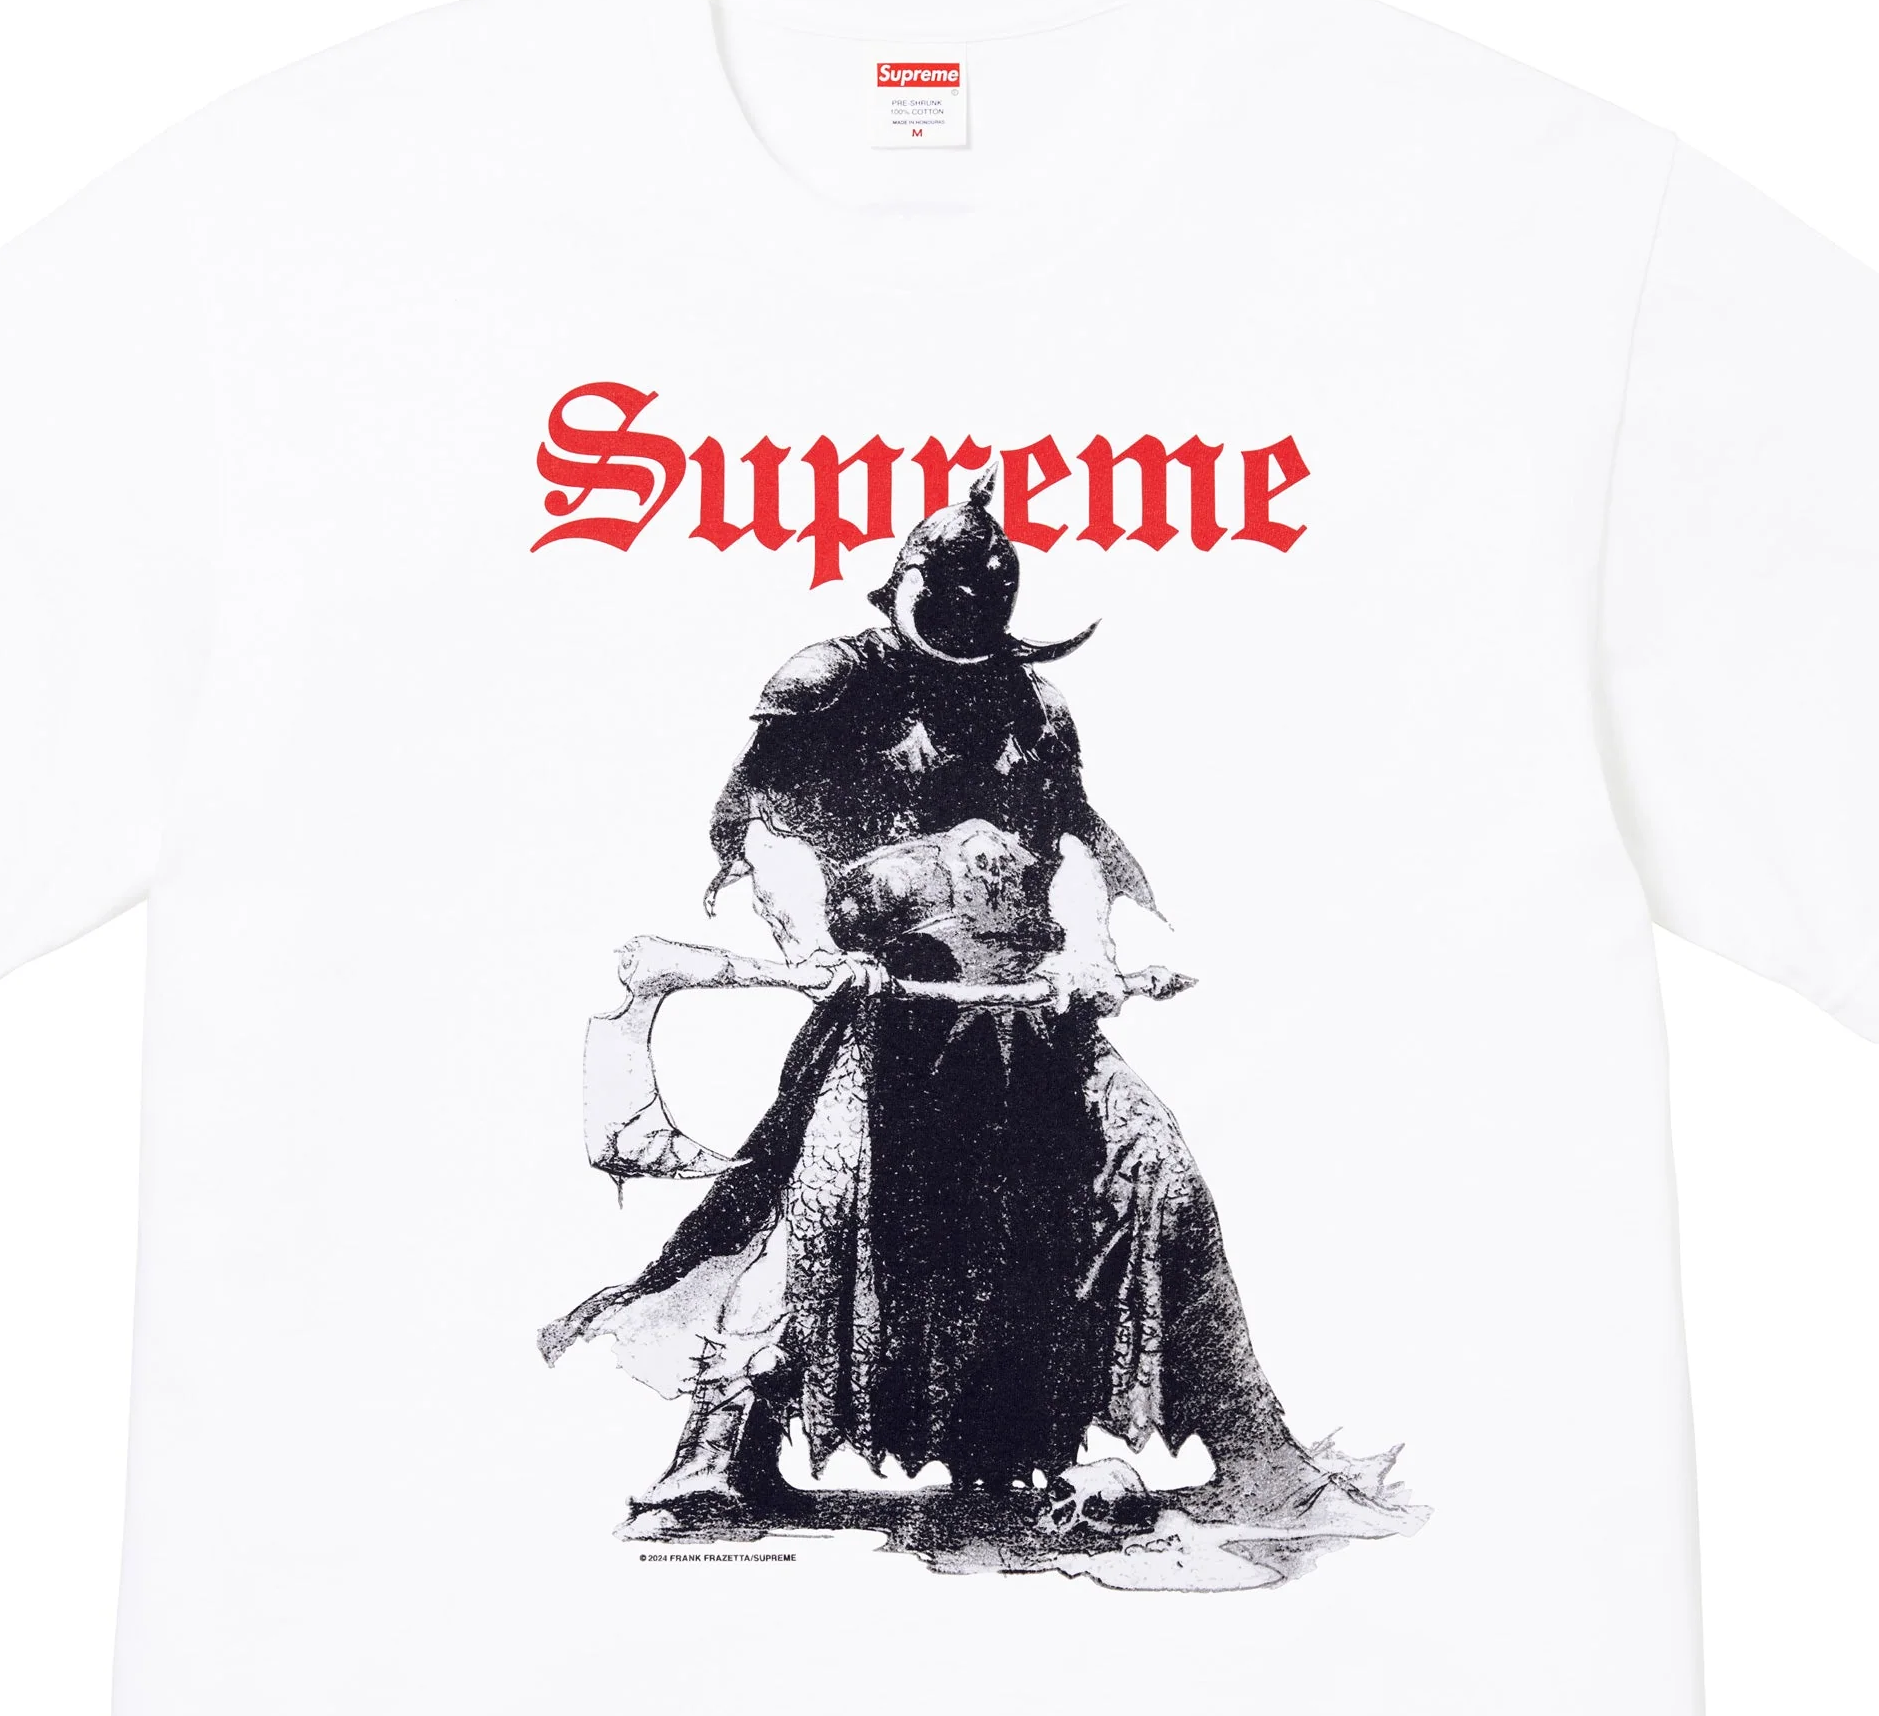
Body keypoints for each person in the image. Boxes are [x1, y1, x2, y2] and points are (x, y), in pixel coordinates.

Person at [542, 477, 1406, 1545]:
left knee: (1153, 1164)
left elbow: (1072, 845)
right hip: (886, 1017)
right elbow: (771, 830)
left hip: (1035, 1017)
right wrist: (815, 947)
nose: (964, 626)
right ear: (903, 587)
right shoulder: (830, 684)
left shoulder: (1034, 707)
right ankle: (716, 1456)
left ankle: (1255, 1456)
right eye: (945, 600)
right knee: (827, 1193)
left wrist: (1087, 952)